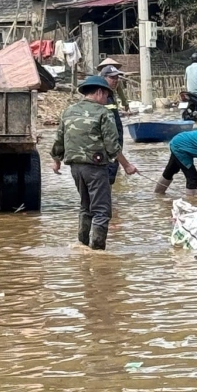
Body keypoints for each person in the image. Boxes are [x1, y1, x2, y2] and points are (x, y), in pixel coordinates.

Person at [51, 75, 122, 251]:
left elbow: (59, 140)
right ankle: (98, 251)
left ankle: (82, 244)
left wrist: (56, 161)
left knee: (85, 206)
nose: (107, 100)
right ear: (99, 92)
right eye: (106, 96)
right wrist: (127, 165)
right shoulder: (104, 112)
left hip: (75, 167)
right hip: (95, 167)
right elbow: (112, 146)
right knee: (102, 210)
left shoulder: (68, 111)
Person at [99, 63, 139, 183]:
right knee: (104, 187)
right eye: (112, 78)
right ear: (103, 78)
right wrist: (126, 164)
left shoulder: (110, 96)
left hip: (113, 152)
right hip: (107, 153)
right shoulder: (102, 98)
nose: (116, 81)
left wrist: (124, 106)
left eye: (117, 78)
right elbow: (107, 135)